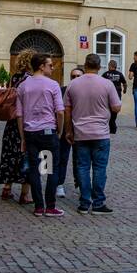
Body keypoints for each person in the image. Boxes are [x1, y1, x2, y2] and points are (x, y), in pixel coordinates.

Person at [64, 53, 121, 213]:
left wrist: (68, 130)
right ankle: (98, 203)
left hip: (80, 132)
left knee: (82, 167)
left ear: (85, 65)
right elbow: (117, 107)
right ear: (99, 66)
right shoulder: (107, 84)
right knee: (99, 168)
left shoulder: (73, 84)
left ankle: (84, 202)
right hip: (101, 133)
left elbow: (67, 109)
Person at [15, 52, 65, 217]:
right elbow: (60, 111)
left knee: (35, 170)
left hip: (30, 133)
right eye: (50, 65)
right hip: (48, 132)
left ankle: (38, 206)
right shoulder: (52, 85)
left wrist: (22, 137)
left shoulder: (23, 86)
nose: (52, 67)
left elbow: (19, 115)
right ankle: (50, 206)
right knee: (51, 169)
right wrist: (60, 130)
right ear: (42, 67)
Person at [0, 48, 34, 204]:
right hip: (23, 122)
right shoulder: (30, 79)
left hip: (11, 123)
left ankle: (7, 188)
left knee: (10, 155)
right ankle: (25, 194)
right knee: (25, 155)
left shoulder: (14, 77)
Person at [56, 65, 84, 197]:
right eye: (73, 76)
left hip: (81, 130)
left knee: (80, 159)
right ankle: (59, 184)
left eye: (78, 76)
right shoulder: (63, 90)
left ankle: (80, 183)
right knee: (62, 157)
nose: (75, 78)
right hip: (65, 130)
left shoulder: (86, 92)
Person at [102, 60, 126, 135]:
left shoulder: (106, 74)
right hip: (117, 94)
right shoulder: (119, 74)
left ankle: (110, 126)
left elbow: (100, 83)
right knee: (115, 111)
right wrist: (125, 90)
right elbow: (124, 83)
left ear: (110, 66)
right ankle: (113, 126)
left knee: (107, 110)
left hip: (107, 95)